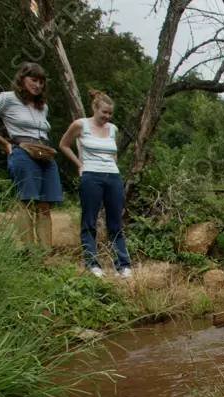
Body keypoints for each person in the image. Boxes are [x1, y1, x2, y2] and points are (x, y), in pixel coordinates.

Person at [0, 62, 62, 246]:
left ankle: (45, 254)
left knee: (45, 205)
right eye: (33, 80)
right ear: (22, 79)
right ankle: (28, 251)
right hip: (23, 152)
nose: (37, 85)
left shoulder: (42, 106)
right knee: (27, 202)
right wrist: (5, 143)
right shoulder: (7, 98)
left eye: (41, 82)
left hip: (45, 155)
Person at [57, 89, 132, 278]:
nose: (107, 116)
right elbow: (63, 145)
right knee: (89, 221)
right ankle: (92, 264)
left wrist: (112, 165)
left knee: (115, 222)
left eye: (110, 113)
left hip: (112, 177)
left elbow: (113, 152)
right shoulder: (80, 125)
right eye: (104, 112)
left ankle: (122, 265)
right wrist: (79, 164)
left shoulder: (113, 128)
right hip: (90, 175)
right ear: (94, 108)